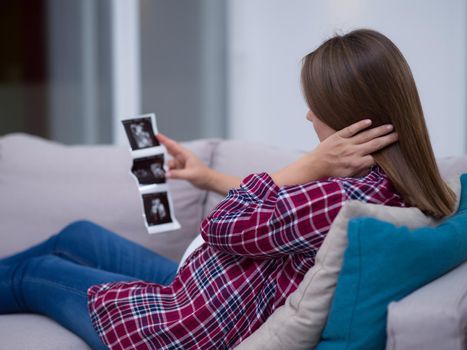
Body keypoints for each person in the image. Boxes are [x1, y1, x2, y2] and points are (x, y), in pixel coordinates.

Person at [0, 29, 455, 349]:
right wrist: (208, 177)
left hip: (184, 325)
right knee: (80, 234)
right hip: (206, 293)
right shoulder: (385, 186)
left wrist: (307, 164)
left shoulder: (339, 199)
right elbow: (279, 216)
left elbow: (221, 226)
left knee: (35, 272)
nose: (309, 118)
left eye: (315, 107)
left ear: (348, 114)